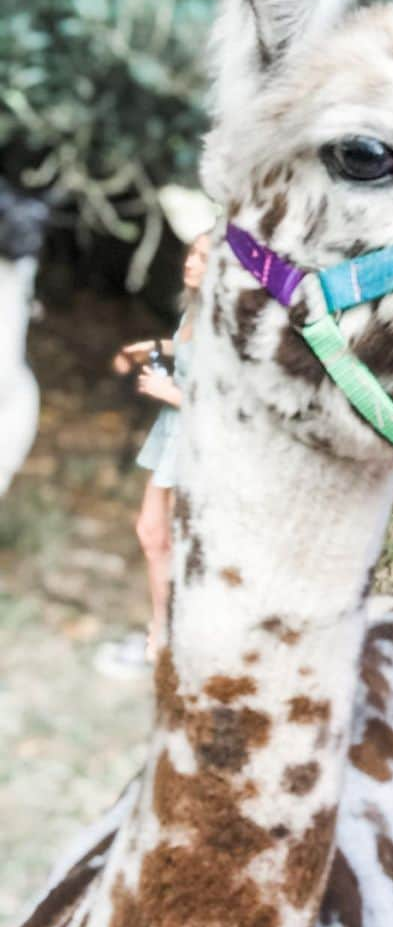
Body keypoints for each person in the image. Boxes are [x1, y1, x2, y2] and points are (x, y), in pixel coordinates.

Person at [108, 232, 210, 665]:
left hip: (195, 437)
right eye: (191, 254)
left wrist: (172, 394)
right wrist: (151, 348)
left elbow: (228, 404)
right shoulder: (195, 311)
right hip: (170, 434)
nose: (191, 264)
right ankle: (162, 627)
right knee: (152, 533)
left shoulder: (224, 324)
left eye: (204, 259)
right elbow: (187, 350)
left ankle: (172, 635)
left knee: (181, 542)